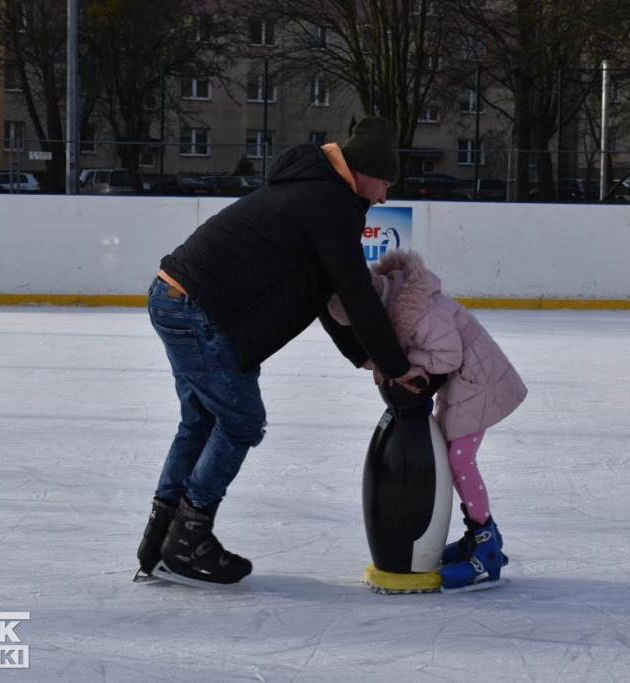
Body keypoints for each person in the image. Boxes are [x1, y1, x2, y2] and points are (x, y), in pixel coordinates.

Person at [137, 117, 428, 585]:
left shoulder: (314, 191)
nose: (384, 198)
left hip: (173, 296)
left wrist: (368, 358)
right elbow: (354, 292)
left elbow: (321, 294)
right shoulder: (332, 202)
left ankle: (160, 539)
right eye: (385, 183)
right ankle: (187, 541)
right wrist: (395, 365)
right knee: (240, 422)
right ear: (366, 171)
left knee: (201, 422)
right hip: (200, 309)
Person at [326, 249, 527, 592]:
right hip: (464, 383)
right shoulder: (400, 304)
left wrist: (402, 361)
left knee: (460, 459)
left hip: (479, 382)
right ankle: (480, 536)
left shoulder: (419, 313)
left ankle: (486, 548)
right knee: (453, 456)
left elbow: (447, 356)